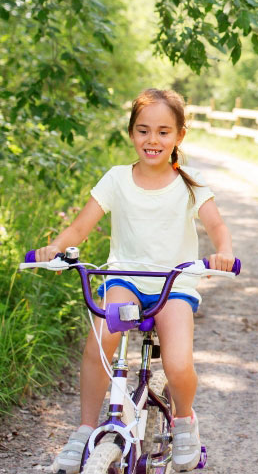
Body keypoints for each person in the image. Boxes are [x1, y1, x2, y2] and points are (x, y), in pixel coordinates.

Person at [35, 88, 234, 473]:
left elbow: (217, 225)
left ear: (179, 136)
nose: (152, 140)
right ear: (131, 133)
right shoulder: (116, 179)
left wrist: (223, 250)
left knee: (177, 362)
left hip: (173, 283)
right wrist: (55, 248)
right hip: (124, 277)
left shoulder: (189, 182)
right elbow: (79, 228)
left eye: (163, 131)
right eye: (143, 130)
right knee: (100, 344)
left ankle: (184, 419)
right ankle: (84, 430)